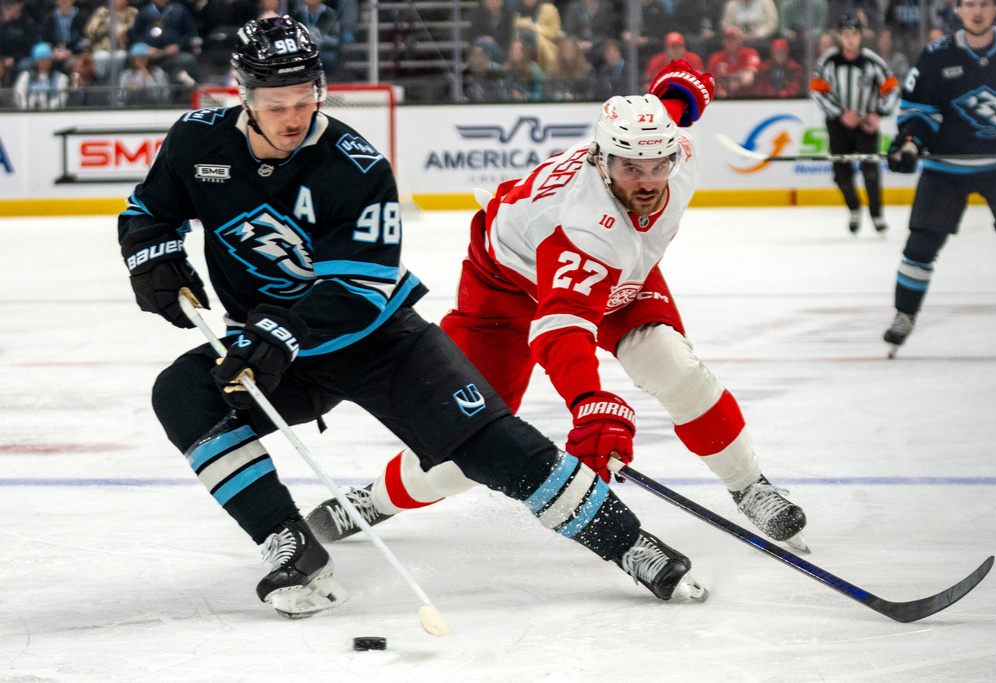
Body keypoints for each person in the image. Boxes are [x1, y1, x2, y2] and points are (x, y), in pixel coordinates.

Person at [117, 16, 706, 618]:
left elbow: (360, 284)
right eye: (275, 105)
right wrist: (152, 259)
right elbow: (149, 209)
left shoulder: (355, 165)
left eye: (305, 99)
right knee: (183, 395)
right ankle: (288, 541)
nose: (294, 117)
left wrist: (279, 330)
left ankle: (633, 545)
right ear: (242, 95)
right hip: (275, 349)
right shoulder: (196, 142)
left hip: (379, 343)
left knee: (491, 446)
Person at [307, 61, 810, 556]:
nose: (649, 183)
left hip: (618, 275)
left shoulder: (674, 152)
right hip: (503, 291)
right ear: (602, 160)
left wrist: (674, 87)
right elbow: (561, 328)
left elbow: (673, 107)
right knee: (464, 444)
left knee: (672, 364)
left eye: (658, 167)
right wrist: (589, 403)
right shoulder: (583, 221)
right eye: (631, 169)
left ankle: (750, 485)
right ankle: (370, 502)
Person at [883, 0, 996, 356]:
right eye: (970, 4)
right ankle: (904, 314)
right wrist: (911, 143)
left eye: (985, 4)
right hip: (947, 168)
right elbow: (918, 113)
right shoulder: (936, 56)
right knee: (920, 246)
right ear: (958, 10)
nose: (977, 11)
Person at [810, 15, 899, 234]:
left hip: (865, 125)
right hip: (838, 125)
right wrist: (839, 114)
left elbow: (893, 88)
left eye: (855, 35)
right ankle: (854, 209)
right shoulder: (828, 62)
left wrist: (878, 114)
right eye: (846, 35)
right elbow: (817, 91)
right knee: (841, 172)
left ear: (861, 36)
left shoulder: (873, 61)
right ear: (839, 36)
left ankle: (877, 214)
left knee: (870, 171)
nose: (850, 40)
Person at [706, 26, 760, 98]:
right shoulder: (715, 58)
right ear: (724, 41)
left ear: (740, 40)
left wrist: (727, 78)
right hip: (723, 98)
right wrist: (738, 75)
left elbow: (747, 79)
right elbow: (711, 82)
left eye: (734, 39)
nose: (731, 42)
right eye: (728, 39)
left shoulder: (750, 53)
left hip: (747, 98)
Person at [14, 43, 69, 110]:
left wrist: (48, 108)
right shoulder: (25, 76)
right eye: (42, 59)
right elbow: (19, 94)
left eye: (47, 59)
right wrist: (27, 108)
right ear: (36, 61)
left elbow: (61, 97)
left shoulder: (60, 78)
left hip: (51, 114)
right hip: (29, 113)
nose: (45, 62)